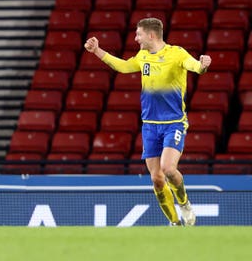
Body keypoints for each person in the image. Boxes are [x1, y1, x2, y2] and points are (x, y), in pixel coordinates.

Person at [84, 17, 211, 226]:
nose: (135, 38)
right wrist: (97, 51)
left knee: (168, 169)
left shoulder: (176, 53)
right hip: (150, 125)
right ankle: (175, 223)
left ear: (151, 35)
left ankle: (185, 204)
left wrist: (203, 65)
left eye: (138, 34)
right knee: (157, 179)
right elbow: (124, 66)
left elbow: (194, 66)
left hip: (174, 123)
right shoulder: (143, 56)